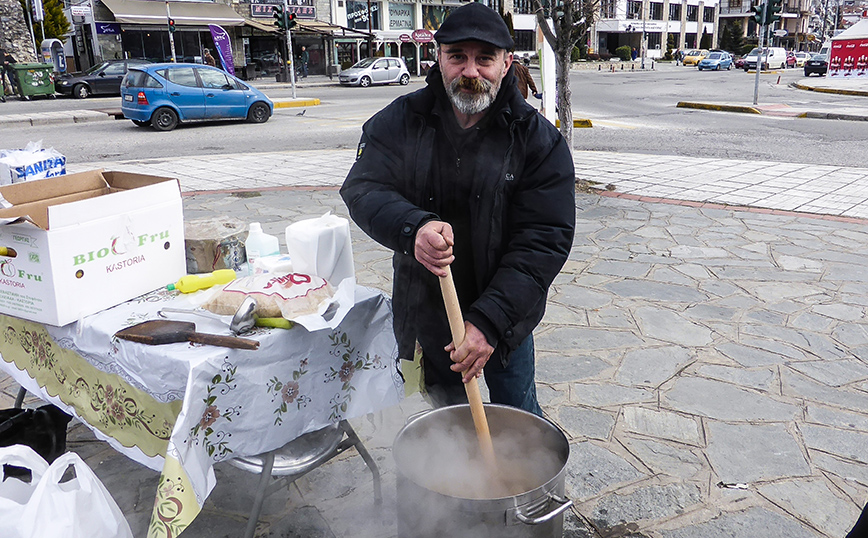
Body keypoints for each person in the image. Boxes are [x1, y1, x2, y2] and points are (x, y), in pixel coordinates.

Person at [340, 2, 575, 416]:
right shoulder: (402, 120)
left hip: (505, 319)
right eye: (458, 57)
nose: (470, 71)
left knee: (518, 420)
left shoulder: (538, 143)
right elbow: (363, 187)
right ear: (439, 58)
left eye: (484, 58)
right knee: (441, 425)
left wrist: (488, 322)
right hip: (427, 314)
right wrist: (414, 229)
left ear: (506, 64)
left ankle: (523, 482)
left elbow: (543, 241)